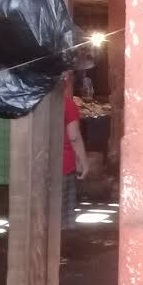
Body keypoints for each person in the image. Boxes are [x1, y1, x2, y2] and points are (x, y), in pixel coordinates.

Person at [62, 95, 90, 230]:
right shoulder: (67, 104)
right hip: (64, 166)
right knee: (65, 218)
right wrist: (84, 162)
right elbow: (74, 137)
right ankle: (62, 248)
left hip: (37, 167)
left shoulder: (31, 100)